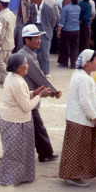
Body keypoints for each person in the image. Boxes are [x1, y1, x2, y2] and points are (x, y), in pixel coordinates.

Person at [0, 53, 52, 186]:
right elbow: (26, 106)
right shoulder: (17, 82)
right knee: (13, 154)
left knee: (20, 153)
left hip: (14, 121)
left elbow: (23, 97)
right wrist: (40, 96)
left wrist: (35, 92)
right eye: (25, 64)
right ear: (19, 67)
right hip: (14, 122)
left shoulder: (13, 77)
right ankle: (4, 178)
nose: (27, 66)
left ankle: (20, 177)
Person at [59, 49, 96, 187]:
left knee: (75, 148)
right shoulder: (84, 78)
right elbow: (85, 101)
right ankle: (73, 176)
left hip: (75, 118)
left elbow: (83, 93)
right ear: (88, 62)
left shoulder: (79, 74)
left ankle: (71, 174)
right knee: (78, 150)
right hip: (79, 120)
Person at [18, 25, 60, 163]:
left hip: (27, 97)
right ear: (27, 40)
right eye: (35, 38)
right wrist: (54, 92)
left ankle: (44, 152)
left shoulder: (27, 54)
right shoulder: (27, 58)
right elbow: (39, 77)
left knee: (35, 127)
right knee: (37, 127)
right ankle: (45, 152)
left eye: (39, 37)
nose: (39, 40)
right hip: (28, 98)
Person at [28, 0, 57, 76]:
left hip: (45, 30)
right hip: (35, 28)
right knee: (36, 52)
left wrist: (48, 28)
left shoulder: (48, 7)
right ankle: (37, 70)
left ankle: (46, 71)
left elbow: (53, 19)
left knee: (45, 52)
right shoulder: (33, 6)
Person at [0, 0, 16, 84]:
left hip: (4, 43)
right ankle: (4, 79)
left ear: (0, 3)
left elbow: (1, 32)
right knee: (7, 61)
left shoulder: (2, 16)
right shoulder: (11, 14)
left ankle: (7, 78)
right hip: (10, 41)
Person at [57, 0, 81, 69]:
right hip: (76, 29)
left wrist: (59, 30)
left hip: (67, 30)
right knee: (75, 47)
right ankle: (74, 64)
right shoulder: (78, 7)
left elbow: (62, 21)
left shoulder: (66, 8)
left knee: (65, 47)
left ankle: (64, 62)